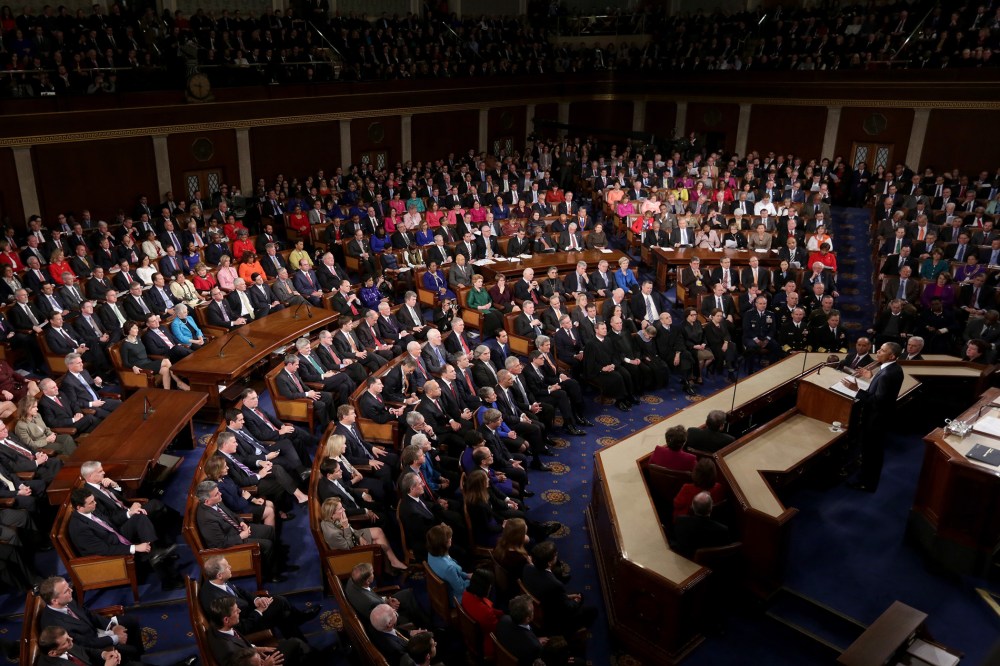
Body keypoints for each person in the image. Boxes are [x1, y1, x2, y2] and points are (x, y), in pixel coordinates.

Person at [198, 555, 319, 642]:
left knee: (284, 614)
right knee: (281, 604)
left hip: (249, 610)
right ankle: (300, 621)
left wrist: (256, 600)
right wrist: (258, 611)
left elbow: (239, 590)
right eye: (227, 567)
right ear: (219, 575)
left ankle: (303, 648)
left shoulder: (215, 581)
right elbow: (239, 628)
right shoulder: (216, 601)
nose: (230, 567)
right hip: (249, 623)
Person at [841, 342, 905, 492]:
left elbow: (877, 400)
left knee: (871, 453)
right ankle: (867, 479)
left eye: (882, 351)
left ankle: (867, 483)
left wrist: (856, 390)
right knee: (873, 452)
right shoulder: (894, 368)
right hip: (881, 418)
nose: (878, 353)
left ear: (892, 356)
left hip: (876, 420)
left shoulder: (887, 374)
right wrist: (871, 378)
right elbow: (881, 392)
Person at [522, 540, 597, 636]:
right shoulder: (555, 585)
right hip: (551, 616)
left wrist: (566, 597)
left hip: (538, 601)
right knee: (592, 610)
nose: (557, 557)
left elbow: (554, 596)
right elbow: (567, 609)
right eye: (555, 555)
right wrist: (576, 601)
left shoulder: (527, 568)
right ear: (549, 563)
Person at [318, 497, 407, 574]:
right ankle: (391, 564)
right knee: (378, 542)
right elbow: (349, 546)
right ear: (332, 514)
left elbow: (350, 529)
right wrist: (345, 527)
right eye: (341, 509)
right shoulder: (332, 534)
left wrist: (359, 536)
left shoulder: (331, 519)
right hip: (349, 552)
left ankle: (391, 563)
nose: (344, 510)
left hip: (352, 536)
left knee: (378, 531)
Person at [671, 491, 733, 557]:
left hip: (684, 559)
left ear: (693, 506)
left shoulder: (680, 521)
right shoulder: (723, 530)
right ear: (711, 508)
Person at [462, 568, 504, 659]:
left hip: (472, 635)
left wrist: (502, 613)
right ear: (485, 588)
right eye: (490, 586)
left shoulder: (465, 594)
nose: (491, 587)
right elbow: (496, 628)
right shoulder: (486, 612)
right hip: (486, 642)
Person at [425, 524, 470, 604]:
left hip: (446, 589)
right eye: (449, 538)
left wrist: (466, 575)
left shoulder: (431, 553)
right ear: (443, 544)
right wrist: (473, 580)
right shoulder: (449, 568)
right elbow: (461, 589)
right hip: (455, 598)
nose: (451, 539)